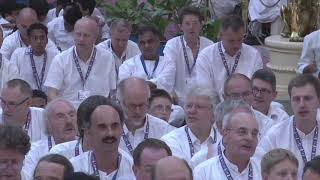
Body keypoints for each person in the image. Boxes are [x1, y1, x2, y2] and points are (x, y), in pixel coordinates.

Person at [45, 17, 117, 108]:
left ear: (95, 38)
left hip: (99, 112)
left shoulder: (107, 58)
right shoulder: (60, 59)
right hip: (69, 113)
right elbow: (52, 93)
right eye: (78, 34)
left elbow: (112, 92)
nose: (81, 39)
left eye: (86, 35)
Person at [259, 74, 320, 178]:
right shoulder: (274, 135)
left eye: (307, 98)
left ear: (318, 101)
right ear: (290, 102)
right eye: (296, 99)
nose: (302, 104)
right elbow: (260, 170)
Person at [195, 15, 263, 100]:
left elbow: (256, 88)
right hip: (216, 108)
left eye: (240, 40)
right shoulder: (206, 56)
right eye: (231, 41)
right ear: (220, 35)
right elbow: (205, 91)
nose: (236, 45)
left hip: (246, 107)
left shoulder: (254, 55)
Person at [69, 95, 135, 179]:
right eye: (102, 127)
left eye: (114, 126)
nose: (110, 133)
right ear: (88, 131)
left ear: (122, 129)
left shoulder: (133, 168)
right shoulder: (74, 168)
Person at [194, 106, 263, 180]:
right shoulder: (204, 172)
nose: (250, 138)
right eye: (242, 132)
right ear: (225, 134)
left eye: (254, 133)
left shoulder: (263, 170)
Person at [163, 6, 213, 103]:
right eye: (187, 24)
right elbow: (168, 72)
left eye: (195, 23)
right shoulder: (172, 45)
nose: (191, 27)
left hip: (202, 99)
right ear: (181, 27)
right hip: (178, 98)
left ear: (201, 25)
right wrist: (170, 91)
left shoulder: (209, 45)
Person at [161, 85, 221, 164]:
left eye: (199, 107)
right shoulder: (171, 140)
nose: (192, 111)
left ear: (214, 113)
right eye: (189, 106)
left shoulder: (224, 140)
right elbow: (179, 172)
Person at [22, 98, 77, 179]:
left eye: (71, 115)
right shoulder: (34, 151)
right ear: (48, 124)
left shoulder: (87, 147)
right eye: (60, 116)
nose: (69, 121)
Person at [118, 77, 175, 155]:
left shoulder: (164, 130)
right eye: (132, 106)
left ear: (148, 101)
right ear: (120, 103)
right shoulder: (109, 128)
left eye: (141, 105)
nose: (137, 111)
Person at [190, 99, 252, 168]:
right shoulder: (200, 160)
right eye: (242, 130)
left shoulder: (260, 156)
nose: (249, 137)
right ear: (221, 128)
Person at [119, 25, 175, 93]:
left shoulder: (168, 63)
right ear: (138, 45)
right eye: (142, 43)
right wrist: (152, 84)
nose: (146, 46)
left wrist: (136, 84)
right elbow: (125, 86)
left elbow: (165, 83)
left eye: (150, 41)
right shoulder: (128, 65)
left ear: (158, 42)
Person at [10, 23, 59, 92]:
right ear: (29, 40)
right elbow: (13, 80)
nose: (39, 41)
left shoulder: (55, 56)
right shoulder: (18, 54)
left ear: (47, 40)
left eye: (42, 38)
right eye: (35, 38)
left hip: (48, 98)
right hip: (25, 98)